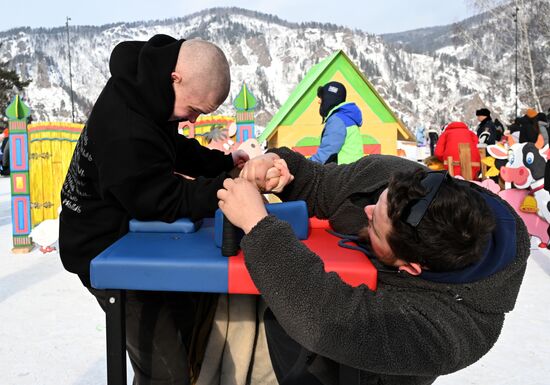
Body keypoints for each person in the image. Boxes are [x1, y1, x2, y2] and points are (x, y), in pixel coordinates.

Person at [217, 147, 529, 385]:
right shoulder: (401, 180)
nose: (366, 209)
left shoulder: (455, 333)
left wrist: (257, 224)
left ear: (410, 268)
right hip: (291, 322)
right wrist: (277, 167)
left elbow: (326, 320)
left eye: (376, 228)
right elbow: (320, 184)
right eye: (377, 200)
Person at [59, 34, 248, 385]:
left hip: (136, 237)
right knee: (166, 372)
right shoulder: (125, 129)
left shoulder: (150, 88)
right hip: (104, 250)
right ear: (176, 77)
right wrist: (230, 189)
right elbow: (163, 200)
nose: (191, 121)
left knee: (190, 327)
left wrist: (224, 164)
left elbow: (169, 146)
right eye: (192, 111)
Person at [309, 81, 364, 165]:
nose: (319, 101)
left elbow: (327, 153)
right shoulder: (347, 117)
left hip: (343, 173)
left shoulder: (337, 120)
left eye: (322, 98)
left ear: (329, 99)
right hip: (352, 171)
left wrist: (305, 166)